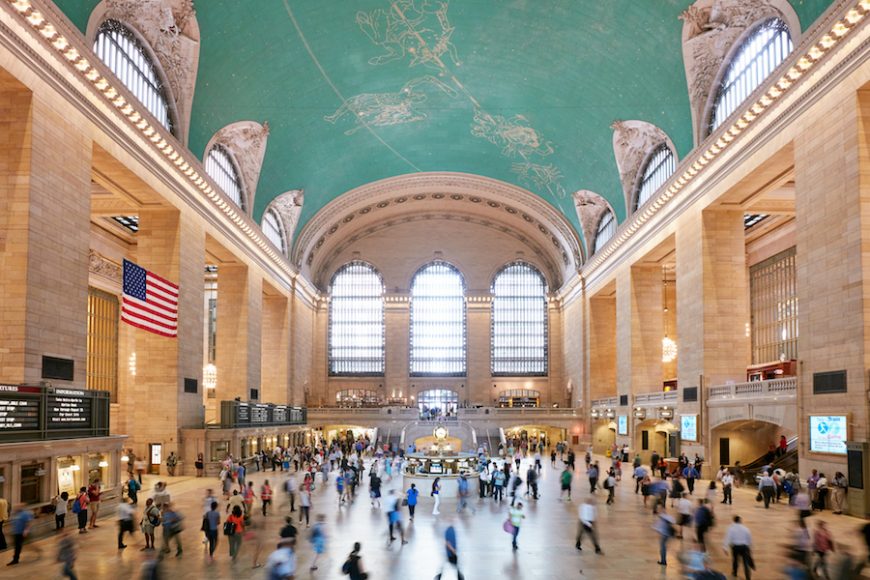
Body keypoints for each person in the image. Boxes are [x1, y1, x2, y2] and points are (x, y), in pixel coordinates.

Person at [723, 515, 753, 580]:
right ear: (740, 521)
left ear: (734, 521)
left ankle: (735, 572)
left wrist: (725, 548)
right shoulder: (746, 528)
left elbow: (727, 538)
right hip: (744, 547)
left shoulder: (731, 528)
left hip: (735, 547)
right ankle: (748, 577)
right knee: (746, 563)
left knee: (735, 560)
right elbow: (749, 539)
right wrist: (750, 547)